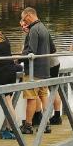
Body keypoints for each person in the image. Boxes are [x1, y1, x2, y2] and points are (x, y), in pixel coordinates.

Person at [19, 7, 52, 135]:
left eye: (23, 18)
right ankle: (46, 124)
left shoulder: (33, 30)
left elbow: (31, 51)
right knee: (44, 96)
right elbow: (52, 48)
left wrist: (18, 59)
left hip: (33, 71)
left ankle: (28, 125)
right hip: (45, 70)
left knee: (31, 98)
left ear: (28, 15)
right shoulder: (44, 28)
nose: (23, 21)